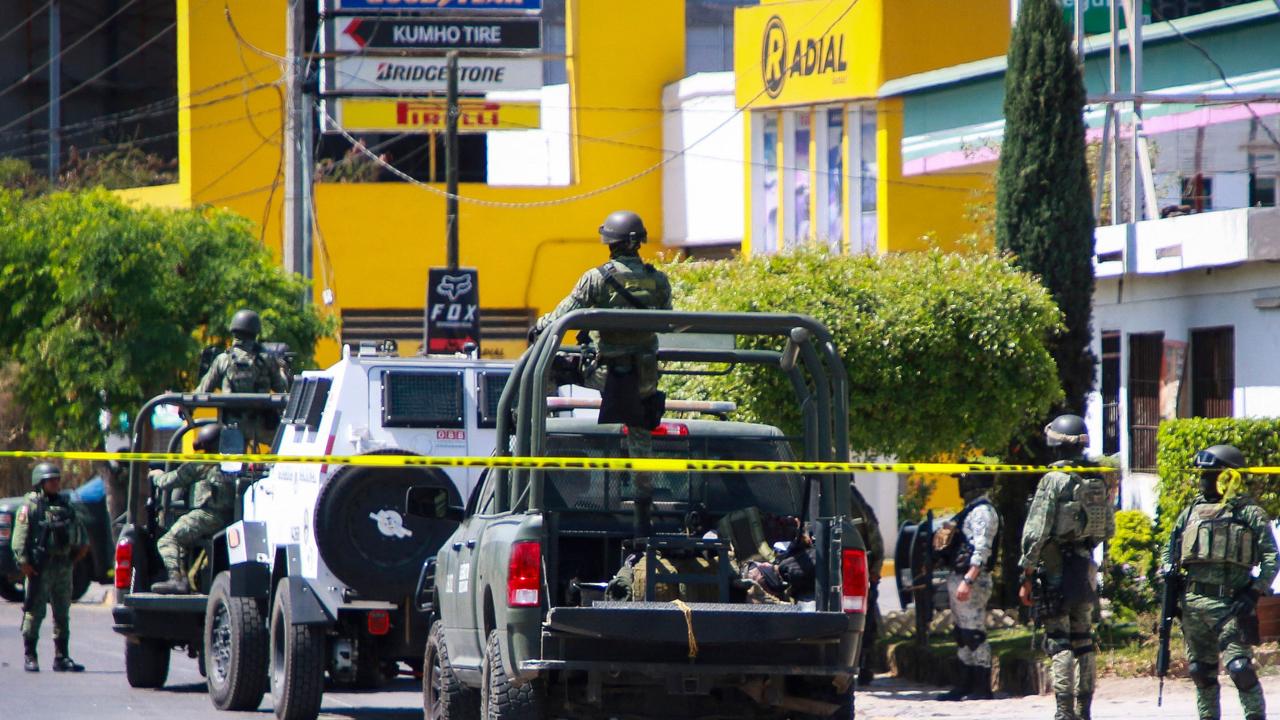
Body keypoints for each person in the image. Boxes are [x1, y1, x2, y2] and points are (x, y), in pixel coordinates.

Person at [528, 210, 672, 538]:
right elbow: (668, 320)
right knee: (640, 434)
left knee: (548, 367)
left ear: (610, 243)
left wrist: (537, 327)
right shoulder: (658, 279)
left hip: (608, 376)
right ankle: (642, 514)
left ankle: (529, 428)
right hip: (645, 378)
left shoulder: (595, 278)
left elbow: (561, 315)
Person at [1161, 444, 1277, 720]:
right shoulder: (1191, 511)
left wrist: (1254, 591)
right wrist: (1166, 571)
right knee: (1201, 672)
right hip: (1193, 606)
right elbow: (1170, 548)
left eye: (1208, 474)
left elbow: (1272, 557)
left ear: (1227, 476)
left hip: (1230, 605)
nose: (1202, 481)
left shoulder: (1248, 513)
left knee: (1240, 669)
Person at [1018, 414, 1114, 720]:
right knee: (1084, 639)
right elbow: (1107, 529)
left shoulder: (1053, 480)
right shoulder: (1096, 480)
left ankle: (1064, 711)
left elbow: (1036, 531)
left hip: (1056, 567)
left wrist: (1027, 572)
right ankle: (1084, 710)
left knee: (1059, 640)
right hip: (1084, 566)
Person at [11, 462, 88, 672]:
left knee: (62, 611)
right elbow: (20, 536)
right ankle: (30, 654)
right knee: (35, 611)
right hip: (40, 567)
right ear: (40, 482)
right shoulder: (31, 506)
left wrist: (77, 554)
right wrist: (24, 562)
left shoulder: (66, 505)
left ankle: (61, 656)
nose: (55, 483)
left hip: (63, 565)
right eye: (51, 480)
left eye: (57, 479)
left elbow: (80, 532)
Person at [934, 470, 1001, 701]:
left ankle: (982, 687)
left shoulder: (983, 511)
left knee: (974, 634)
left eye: (963, 480)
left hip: (972, 580)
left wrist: (968, 580)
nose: (960, 485)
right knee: (962, 634)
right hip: (960, 577)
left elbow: (982, 549)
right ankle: (965, 684)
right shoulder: (970, 509)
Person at [149, 424, 237, 594]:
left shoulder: (202, 463)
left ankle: (176, 580)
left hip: (207, 516)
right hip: (231, 518)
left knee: (167, 541)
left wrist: (156, 476)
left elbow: (170, 481)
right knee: (182, 542)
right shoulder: (235, 461)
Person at [196, 309, 289, 447]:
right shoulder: (267, 359)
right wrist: (283, 371)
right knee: (282, 448)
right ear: (255, 331)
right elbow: (281, 388)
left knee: (230, 465)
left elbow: (203, 390)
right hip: (263, 425)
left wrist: (187, 408)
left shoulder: (223, 359)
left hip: (232, 425)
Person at [849, 482, 884, 685]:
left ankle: (865, 667)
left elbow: (871, 531)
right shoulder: (852, 497)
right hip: (860, 570)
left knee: (866, 625)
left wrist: (874, 571)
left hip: (859, 570)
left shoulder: (851, 498)